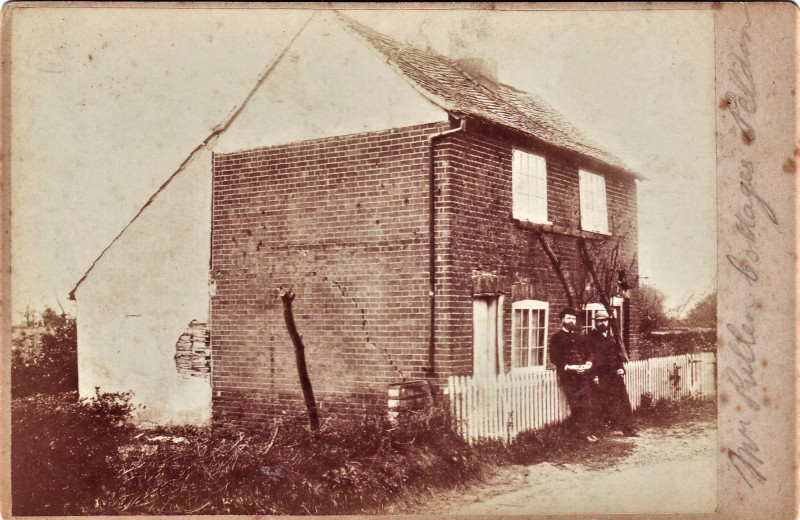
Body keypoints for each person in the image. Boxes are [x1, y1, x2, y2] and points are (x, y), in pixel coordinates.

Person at [586, 309, 637, 437]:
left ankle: (628, 429)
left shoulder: (610, 338)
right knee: (600, 403)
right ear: (595, 323)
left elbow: (617, 356)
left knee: (623, 401)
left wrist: (621, 368)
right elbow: (589, 358)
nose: (602, 323)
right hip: (601, 376)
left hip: (614, 376)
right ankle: (599, 431)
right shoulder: (590, 339)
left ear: (608, 322)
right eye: (599, 321)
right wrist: (594, 376)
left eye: (604, 321)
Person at [549, 307, 598, 442]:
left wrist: (588, 364)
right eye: (568, 318)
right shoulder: (556, 337)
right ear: (563, 320)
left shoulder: (580, 336)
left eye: (573, 318)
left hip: (582, 375)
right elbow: (554, 358)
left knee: (587, 404)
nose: (571, 321)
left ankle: (588, 432)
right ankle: (582, 434)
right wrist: (570, 367)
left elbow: (589, 353)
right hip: (568, 376)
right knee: (576, 405)